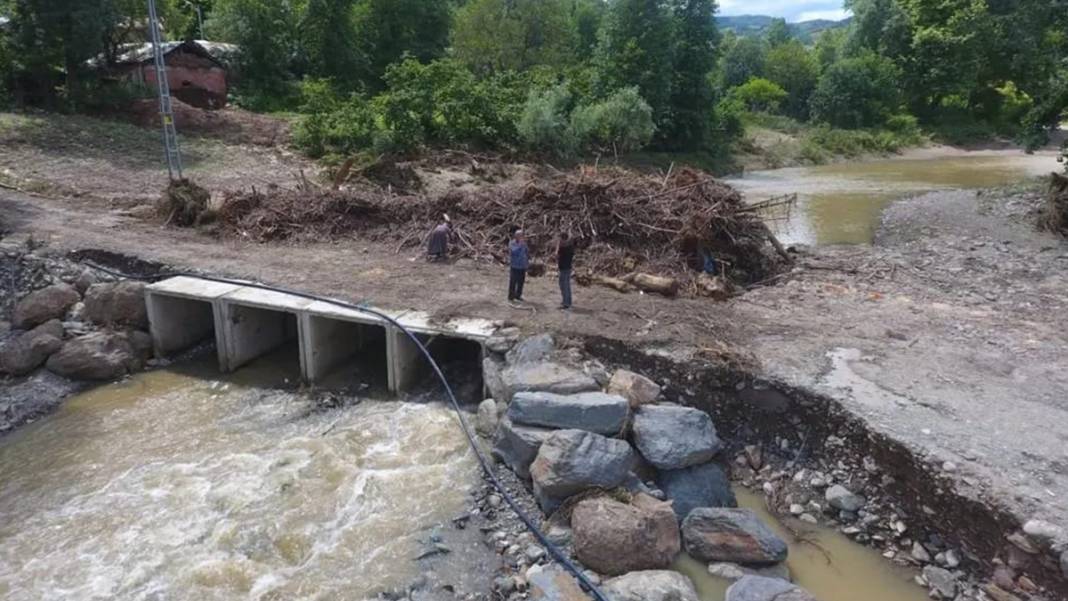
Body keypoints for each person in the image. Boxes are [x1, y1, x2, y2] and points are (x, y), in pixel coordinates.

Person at [508, 229, 529, 303]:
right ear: (516, 236)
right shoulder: (512, 243)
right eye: (520, 235)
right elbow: (513, 252)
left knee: (521, 282)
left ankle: (518, 295)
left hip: (522, 266)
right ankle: (511, 296)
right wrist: (520, 245)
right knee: (513, 282)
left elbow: (526, 253)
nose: (521, 237)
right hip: (515, 266)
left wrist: (527, 263)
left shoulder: (524, 244)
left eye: (522, 235)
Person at [556, 232, 575, 309]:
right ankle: (567, 301)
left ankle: (566, 303)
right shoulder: (570, 247)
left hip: (564, 268)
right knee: (566, 285)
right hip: (567, 268)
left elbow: (556, 255)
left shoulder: (563, 248)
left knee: (564, 286)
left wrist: (558, 246)